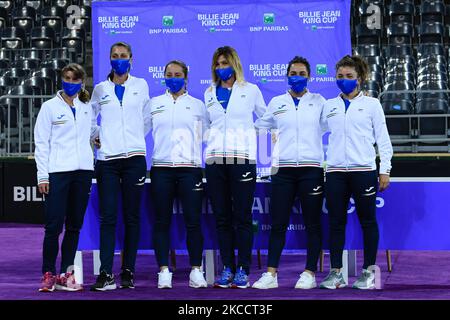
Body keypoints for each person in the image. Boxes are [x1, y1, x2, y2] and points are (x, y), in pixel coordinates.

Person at [319, 55, 393, 290]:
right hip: (336, 172)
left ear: (360, 78)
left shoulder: (372, 105)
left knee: (368, 222)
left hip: (364, 171)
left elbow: (383, 139)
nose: (344, 80)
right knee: (336, 223)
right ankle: (335, 274)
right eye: (340, 76)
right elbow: (314, 134)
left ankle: (368, 272)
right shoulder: (329, 106)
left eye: (349, 76)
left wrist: (385, 170)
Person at [252, 56, 326, 289]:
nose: (297, 77)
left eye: (302, 73)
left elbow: (327, 128)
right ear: (287, 75)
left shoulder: (319, 101)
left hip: (311, 169)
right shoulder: (276, 102)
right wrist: (266, 158)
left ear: (309, 77)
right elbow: (261, 127)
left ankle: (309, 273)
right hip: (282, 171)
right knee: (278, 224)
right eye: (293, 73)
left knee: (313, 224)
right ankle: (271, 274)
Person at [89, 42, 152, 291]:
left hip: (135, 159)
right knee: (108, 218)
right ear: (109, 59)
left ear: (131, 59)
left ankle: (128, 271)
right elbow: (90, 119)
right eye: (114, 56)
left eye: (123, 56)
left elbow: (147, 118)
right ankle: (106, 273)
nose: (119, 59)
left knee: (132, 217)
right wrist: (97, 137)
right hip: (107, 161)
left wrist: (136, 138)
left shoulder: (141, 85)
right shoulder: (100, 89)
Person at [204, 46, 266, 289]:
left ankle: (243, 268)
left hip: (242, 160)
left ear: (235, 64)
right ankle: (227, 267)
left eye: (225, 63)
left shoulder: (250, 90)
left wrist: (258, 142)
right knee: (222, 218)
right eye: (218, 64)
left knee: (242, 218)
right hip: (215, 162)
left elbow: (266, 118)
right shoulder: (209, 92)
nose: (221, 68)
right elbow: (206, 126)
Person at [35, 63, 95, 292]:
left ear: (81, 82)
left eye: (74, 79)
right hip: (57, 173)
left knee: (74, 227)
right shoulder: (49, 107)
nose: (70, 82)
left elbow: (91, 131)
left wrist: (99, 136)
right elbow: (41, 143)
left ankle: (66, 273)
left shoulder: (86, 106)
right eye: (66, 78)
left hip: (83, 173)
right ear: (62, 79)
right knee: (53, 227)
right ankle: (48, 274)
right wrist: (43, 176)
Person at [149, 60, 209, 289]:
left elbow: (207, 135)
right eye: (169, 74)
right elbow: (138, 129)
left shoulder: (197, 105)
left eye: (177, 74)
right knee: (161, 222)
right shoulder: (154, 104)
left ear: (186, 77)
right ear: (163, 76)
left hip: (190, 169)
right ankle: (163, 270)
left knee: (193, 221)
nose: (173, 77)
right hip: (161, 169)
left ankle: (196, 270)